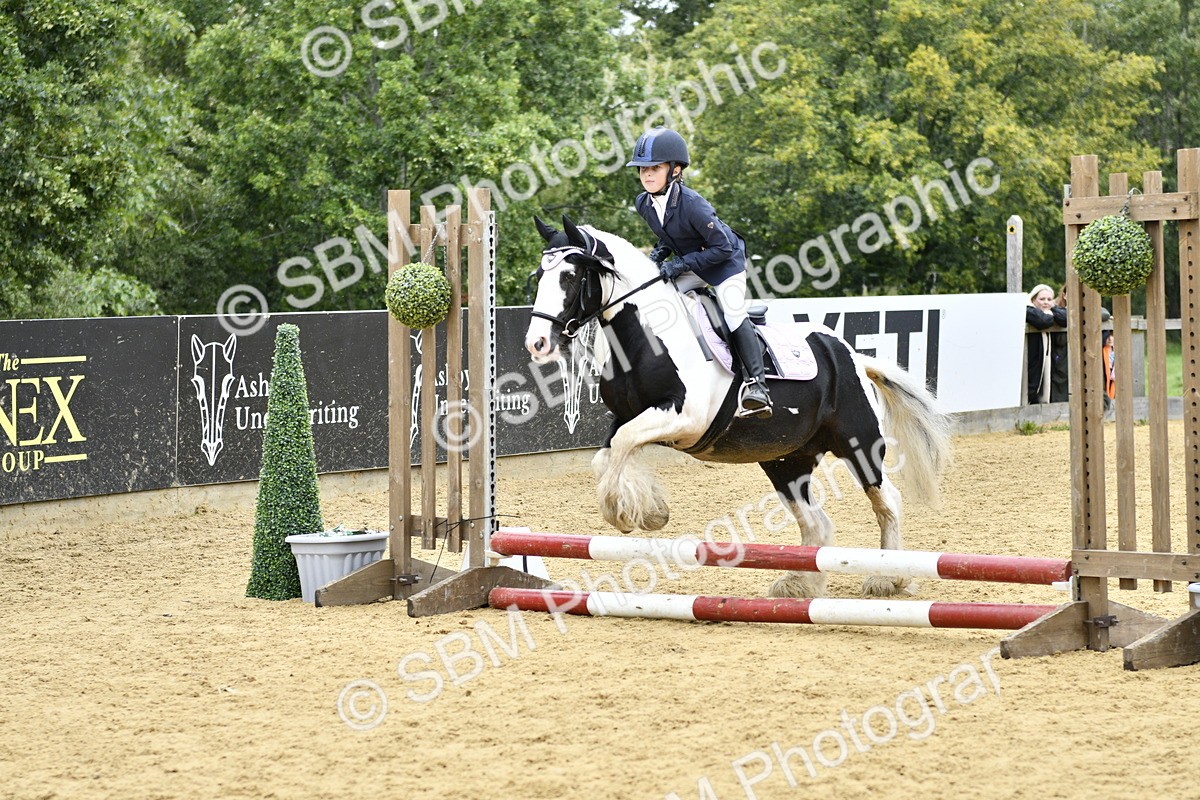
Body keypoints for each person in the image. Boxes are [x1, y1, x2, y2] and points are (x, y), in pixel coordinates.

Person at [627, 126, 772, 418]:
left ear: (676, 169)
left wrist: (678, 264)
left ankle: (758, 385)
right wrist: (657, 256)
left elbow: (722, 248)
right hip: (696, 263)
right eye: (643, 168)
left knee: (733, 313)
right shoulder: (643, 203)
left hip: (725, 264)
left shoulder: (694, 205)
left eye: (655, 167)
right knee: (659, 296)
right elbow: (670, 235)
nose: (647, 174)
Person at [1026, 284, 1066, 404]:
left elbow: (1065, 318)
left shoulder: (1051, 311)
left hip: (1043, 357)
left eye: (1049, 299)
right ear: (1033, 299)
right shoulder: (1028, 309)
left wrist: (1052, 309)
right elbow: (1043, 320)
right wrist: (1050, 314)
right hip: (1029, 356)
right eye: (1042, 299)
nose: (1046, 302)